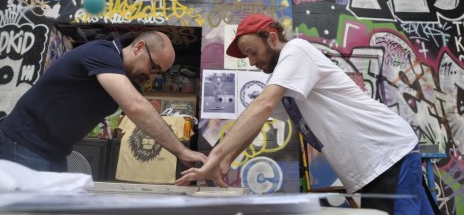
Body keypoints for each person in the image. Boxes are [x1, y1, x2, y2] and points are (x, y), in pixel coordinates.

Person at [175, 14, 435, 215]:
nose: (252, 61)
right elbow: (255, 121)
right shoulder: (287, 84)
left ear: (273, 37)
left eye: (252, 52)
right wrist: (223, 161)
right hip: (382, 160)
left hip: (386, 156)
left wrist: (217, 155)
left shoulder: (296, 50)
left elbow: (263, 105)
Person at [0, 31, 206, 172]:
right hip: (22, 144)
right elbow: (136, 107)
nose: (152, 75)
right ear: (139, 47)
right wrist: (182, 151)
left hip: (53, 153)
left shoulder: (123, 75)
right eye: (154, 67)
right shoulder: (102, 53)